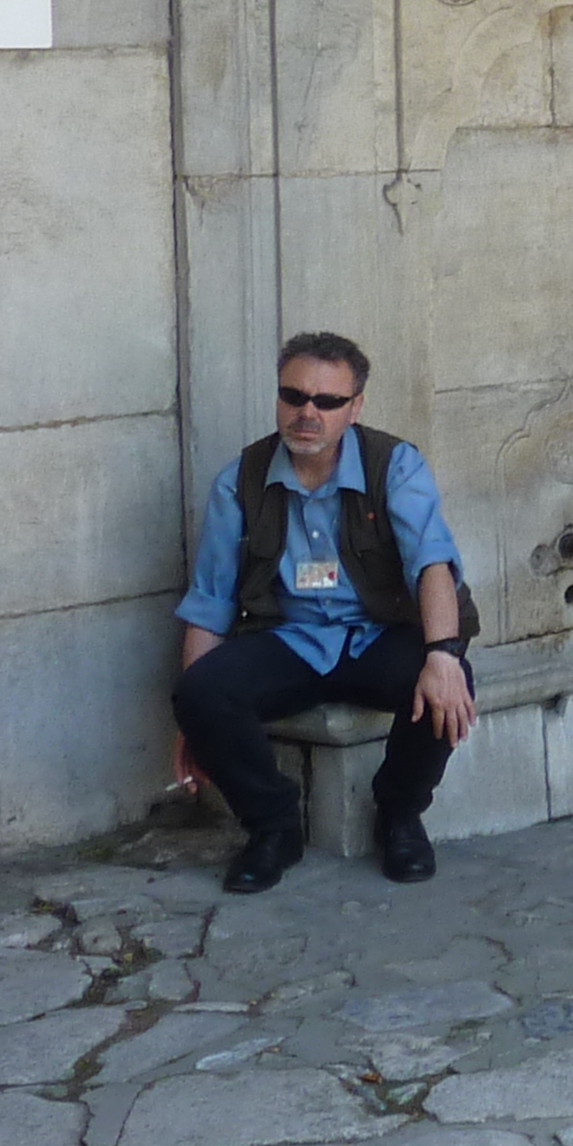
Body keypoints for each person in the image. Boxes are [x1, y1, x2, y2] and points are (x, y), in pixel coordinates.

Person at [170, 334, 473, 893]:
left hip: (375, 635)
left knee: (446, 680)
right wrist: (196, 718)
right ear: (280, 398)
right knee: (201, 691)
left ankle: (401, 815)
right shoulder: (239, 481)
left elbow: (432, 563)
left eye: (328, 401)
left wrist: (443, 655)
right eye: (295, 396)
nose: (308, 413)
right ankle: (273, 829)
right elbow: (210, 601)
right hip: (289, 639)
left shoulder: (394, 465)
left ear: (354, 407)